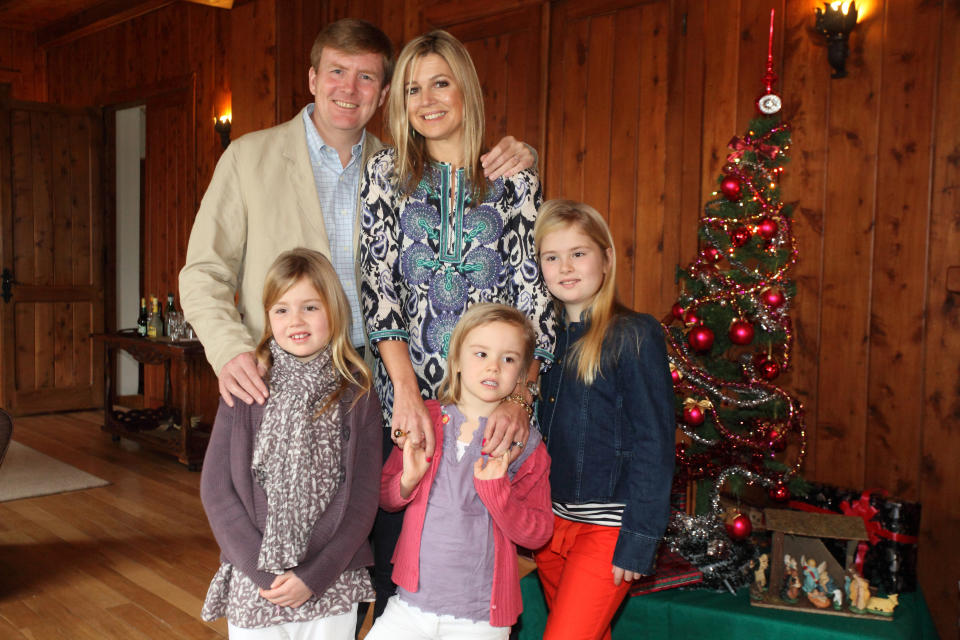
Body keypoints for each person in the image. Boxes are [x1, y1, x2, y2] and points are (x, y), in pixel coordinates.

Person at [179, 18, 534, 412]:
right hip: (275, 376)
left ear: (383, 94)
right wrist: (230, 350)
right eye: (336, 72)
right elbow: (203, 272)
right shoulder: (247, 159)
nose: (348, 89)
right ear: (313, 79)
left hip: (369, 381)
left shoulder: (397, 172)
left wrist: (521, 155)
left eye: (365, 76)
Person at [358, 29, 557, 621]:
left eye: (440, 82)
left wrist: (521, 397)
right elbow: (379, 290)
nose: (427, 99)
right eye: (414, 88)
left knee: (485, 555)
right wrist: (406, 394)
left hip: (493, 401)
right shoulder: (387, 174)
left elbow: (533, 302)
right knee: (398, 559)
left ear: (465, 88)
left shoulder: (514, 180)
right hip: (412, 401)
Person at [199, 248, 382, 637]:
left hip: (331, 580)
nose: (295, 321)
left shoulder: (358, 394)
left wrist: (314, 575)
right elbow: (216, 490)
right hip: (258, 582)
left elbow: (363, 500)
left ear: (334, 310)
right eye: (281, 310)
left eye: (310, 307)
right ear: (267, 317)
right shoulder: (247, 387)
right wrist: (263, 574)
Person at [365, 303, 553, 640]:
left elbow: (538, 532)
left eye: (508, 359)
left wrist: (499, 494)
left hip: (480, 619)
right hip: (410, 606)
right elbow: (385, 495)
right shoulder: (425, 419)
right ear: (457, 361)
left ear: (523, 374)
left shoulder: (524, 443)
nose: (494, 366)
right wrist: (407, 481)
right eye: (481, 353)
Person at [532, 200, 675, 640]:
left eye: (579, 253)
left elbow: (656, 443)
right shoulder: (542, 342)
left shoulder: (634, 334)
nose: (565, 267)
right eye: (551, 257)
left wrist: (640, 538)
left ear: (606, 258)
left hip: (609, 528)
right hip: (550, 529)